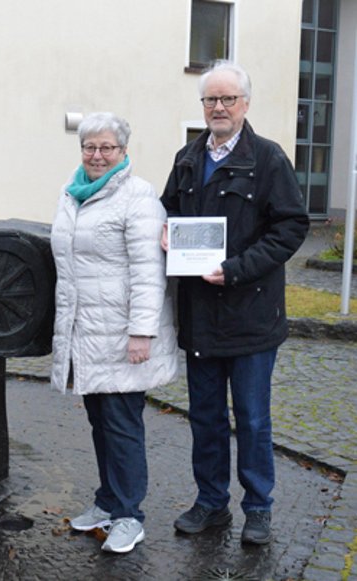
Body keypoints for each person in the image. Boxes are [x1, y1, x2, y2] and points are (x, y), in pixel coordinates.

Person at [160, 60, 309, 545]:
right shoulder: (187, 158)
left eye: (227, 99)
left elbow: (291, 226)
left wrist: (237, 268)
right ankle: (211, 503)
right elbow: (169, 212)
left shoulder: (268, 159)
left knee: (252, 418)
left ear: (245, 103)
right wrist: (163, 231)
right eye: (210, 100)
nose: (218, 107)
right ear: (202, 105)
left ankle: (259, 507)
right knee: (204, 417)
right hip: (200, 315)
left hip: (251, 316)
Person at [50, 112, 179, 553]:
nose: (98, 155)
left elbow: (149, 271)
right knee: (100, 423)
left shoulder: (138, 197)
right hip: (86, 334)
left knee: (122, 425)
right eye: (90, 147)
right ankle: (107, 503)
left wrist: (142, 332)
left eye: (108, 148)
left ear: (124, 151)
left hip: (123, 336)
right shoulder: (73, 194)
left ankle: (130, 515)